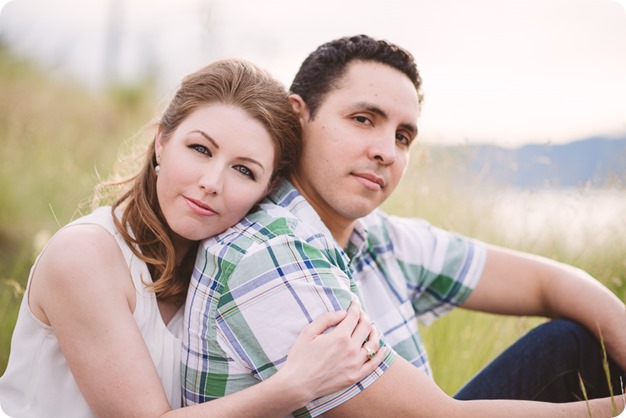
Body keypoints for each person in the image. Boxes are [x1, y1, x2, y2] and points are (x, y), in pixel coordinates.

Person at [183, 35, 626, 417]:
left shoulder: (375, 235)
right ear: (299, 116)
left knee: (573, 342)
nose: (387, 152)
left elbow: (550, 282)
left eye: (402, 136)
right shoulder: (269, 251)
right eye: (363, 119)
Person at [0, 58, 386, 418]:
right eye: (200, 149)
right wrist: (294, 386)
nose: (211, 183)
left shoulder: (227, 269)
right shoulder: (85, 255)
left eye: (244, 170)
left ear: (267, 189)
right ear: (161, 143)